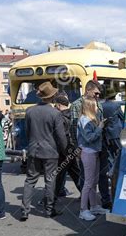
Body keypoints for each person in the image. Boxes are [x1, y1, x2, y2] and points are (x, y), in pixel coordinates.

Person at [20, 82, 67, 221]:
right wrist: (64, 151)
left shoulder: (29, 111)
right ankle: (49, 210)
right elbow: (61, 136)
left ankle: (24, 210)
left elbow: (28, 132)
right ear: (52, 97)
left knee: (30, 180)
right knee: (50, 180)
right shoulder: (55, 113)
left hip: (33, 150)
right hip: (51, 152)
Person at [70, 80, 112, 208]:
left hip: (99, 145)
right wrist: (78, 149)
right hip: (88, 147)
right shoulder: (78, 105)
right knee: (87, 179)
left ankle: (99, 202)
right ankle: (86, 207)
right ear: (88, 90)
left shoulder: (96, 103)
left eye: (99, 94)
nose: (98, 96)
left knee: (99, 177)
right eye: (96, 93)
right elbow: (74, 129)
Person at [77, 97, 109, 221]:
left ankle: (94, 206)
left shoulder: (89, 119)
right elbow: (89, 138)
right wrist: (100, 127)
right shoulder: (85, 120)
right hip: (88, 152)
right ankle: (83, 210)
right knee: (89, 182)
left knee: (93, 181)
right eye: (95, 106)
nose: (97, 108)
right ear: (90, 107)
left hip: (93, 152)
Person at [53, 93, 81, 198]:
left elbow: (61, 136)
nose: (55, 107)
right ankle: (87, 197)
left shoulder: (59, 117)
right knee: (75, 174)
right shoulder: (73, 115)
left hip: (63, 151)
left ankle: (50, 200)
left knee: (58, 176)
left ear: (59, 105)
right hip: (72, 148)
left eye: (55, 105)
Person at [102, 88, 124, 179]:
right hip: (116, 133)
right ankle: (113, 172)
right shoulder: (116, 105)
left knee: (110, 155)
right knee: (119, 152)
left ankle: (111, 172)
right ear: (114, 96)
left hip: (106, 134)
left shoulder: (101, 105)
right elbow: (122, 117)